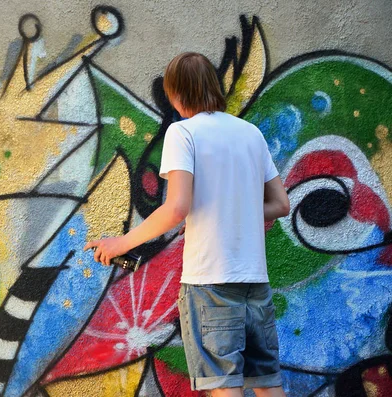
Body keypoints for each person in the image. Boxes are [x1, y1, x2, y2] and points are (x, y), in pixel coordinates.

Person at [84, 52, 290, 397]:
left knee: (224, 388)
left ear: (176, 94)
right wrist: (233, 209)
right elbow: (280, 204)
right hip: (254, 281)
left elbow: (177, 207)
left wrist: (121, 244)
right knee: (267, 386)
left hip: (210, 283)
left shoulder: (183, 133)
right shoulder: (250, 133)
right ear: (213, 86)